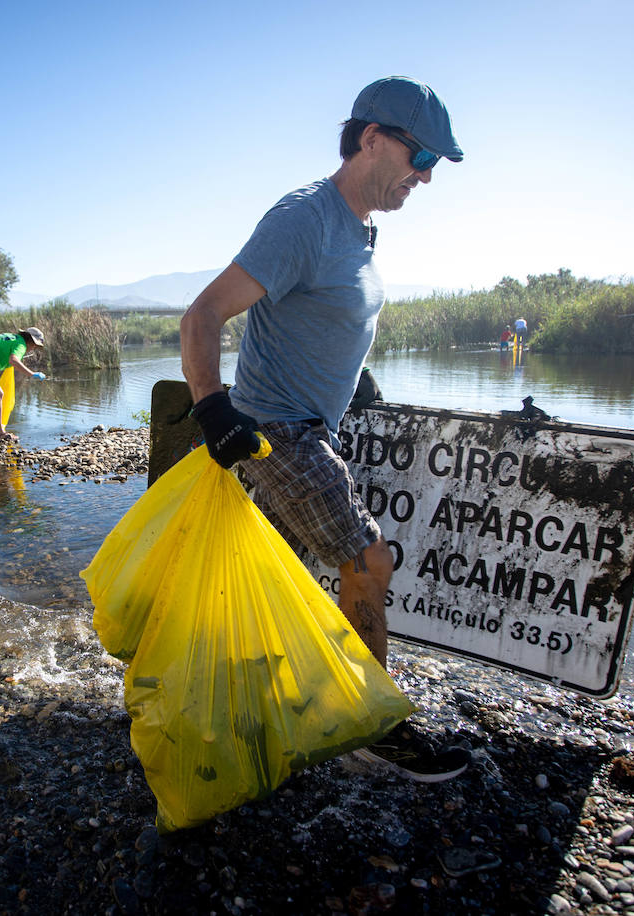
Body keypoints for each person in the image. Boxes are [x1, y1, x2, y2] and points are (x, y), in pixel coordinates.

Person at [180, 75, 471, 782]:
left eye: (435, 164)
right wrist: (215, 411)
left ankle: (234, 706)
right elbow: (201, 316)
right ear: (372, 139)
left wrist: (353, 377)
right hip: (278, 432)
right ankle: (376, 726)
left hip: (314, 425)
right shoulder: (305, 218)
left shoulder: (361, 227)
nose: (427, 176)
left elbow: (324, 313)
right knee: (368, 563)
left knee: (275, 582)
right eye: (421, 156)